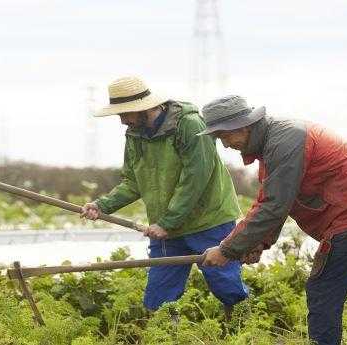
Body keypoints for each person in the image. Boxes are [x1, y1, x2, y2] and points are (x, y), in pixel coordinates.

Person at [199, 95, 347, 344]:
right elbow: (275, 200)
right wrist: (257, 243)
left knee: (323, 291)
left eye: (224, 136)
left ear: (242, 127)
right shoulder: (276, 142)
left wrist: (227, 249)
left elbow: (274, 207)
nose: (224, 145)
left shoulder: (284, 141)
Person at [80, 76, 249, 314]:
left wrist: (168, 222)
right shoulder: (134, 134)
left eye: (125, 114)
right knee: (158, 297)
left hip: (208, 220)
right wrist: (102, 205)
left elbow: (195, 178)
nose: (122, 121)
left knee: (226, 285)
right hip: (166, 228)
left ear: (144, 108)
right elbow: (133, 182)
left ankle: (245, 330)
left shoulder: (189, 125)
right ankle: (166, 336)